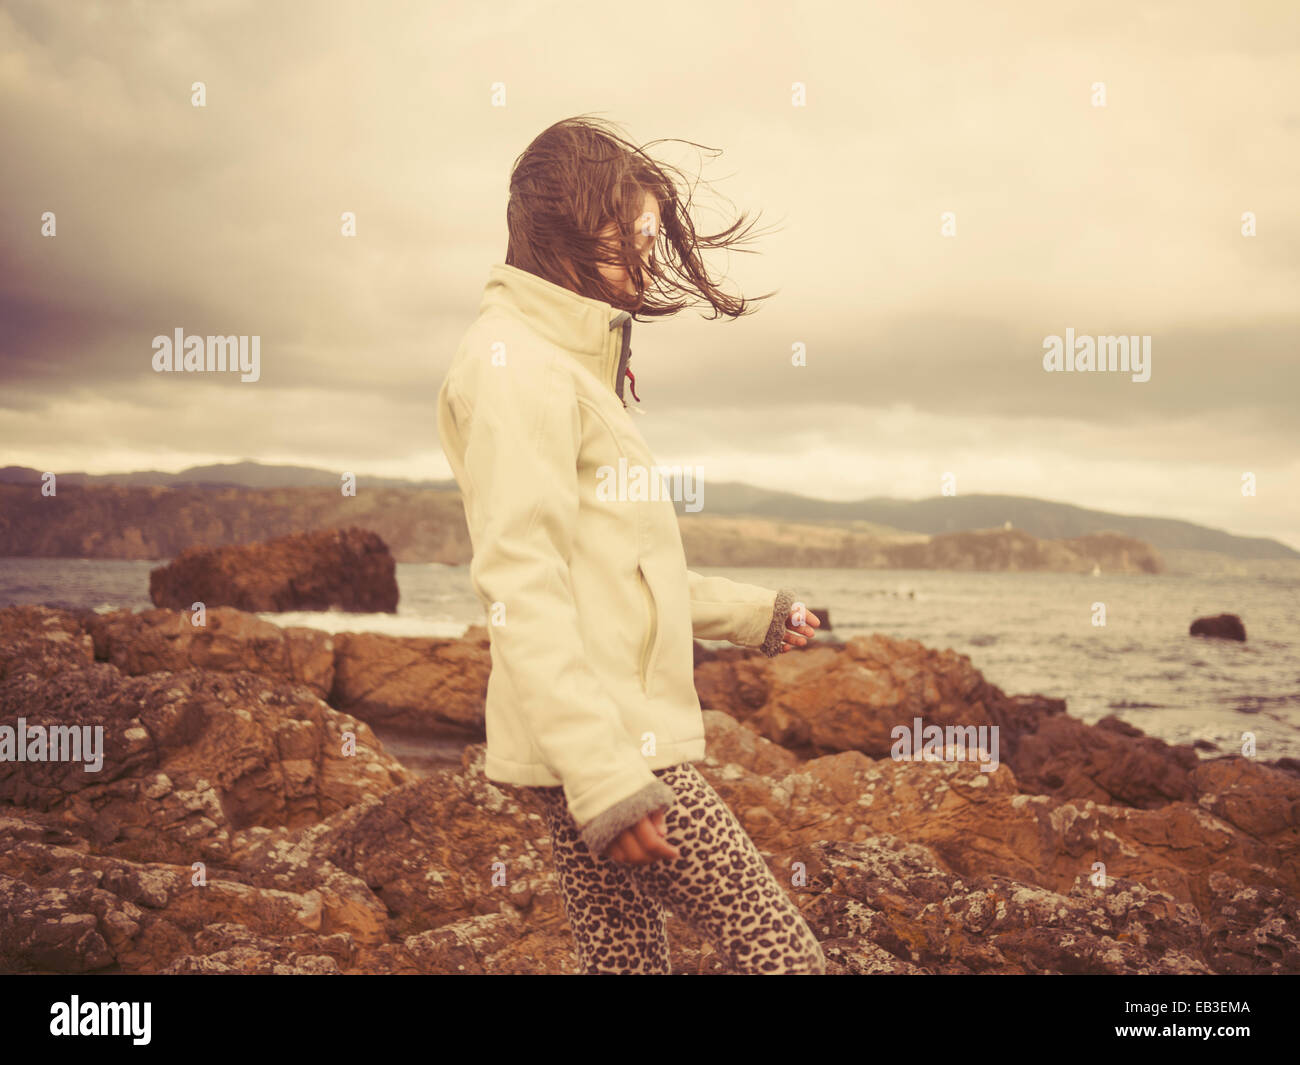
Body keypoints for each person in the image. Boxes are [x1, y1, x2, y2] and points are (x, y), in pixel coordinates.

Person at [436, 115, 826, 974]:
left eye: (655, 234)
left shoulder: (570, 364)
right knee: (785, 960)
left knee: (625, 964)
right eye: (638, 234)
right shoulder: (517, 366)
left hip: (596, 743)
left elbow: (625, 571)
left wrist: (758, 614)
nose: (650, 255)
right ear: (570, 224)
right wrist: (606, 778)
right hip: (611, 742)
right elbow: (521, 583)